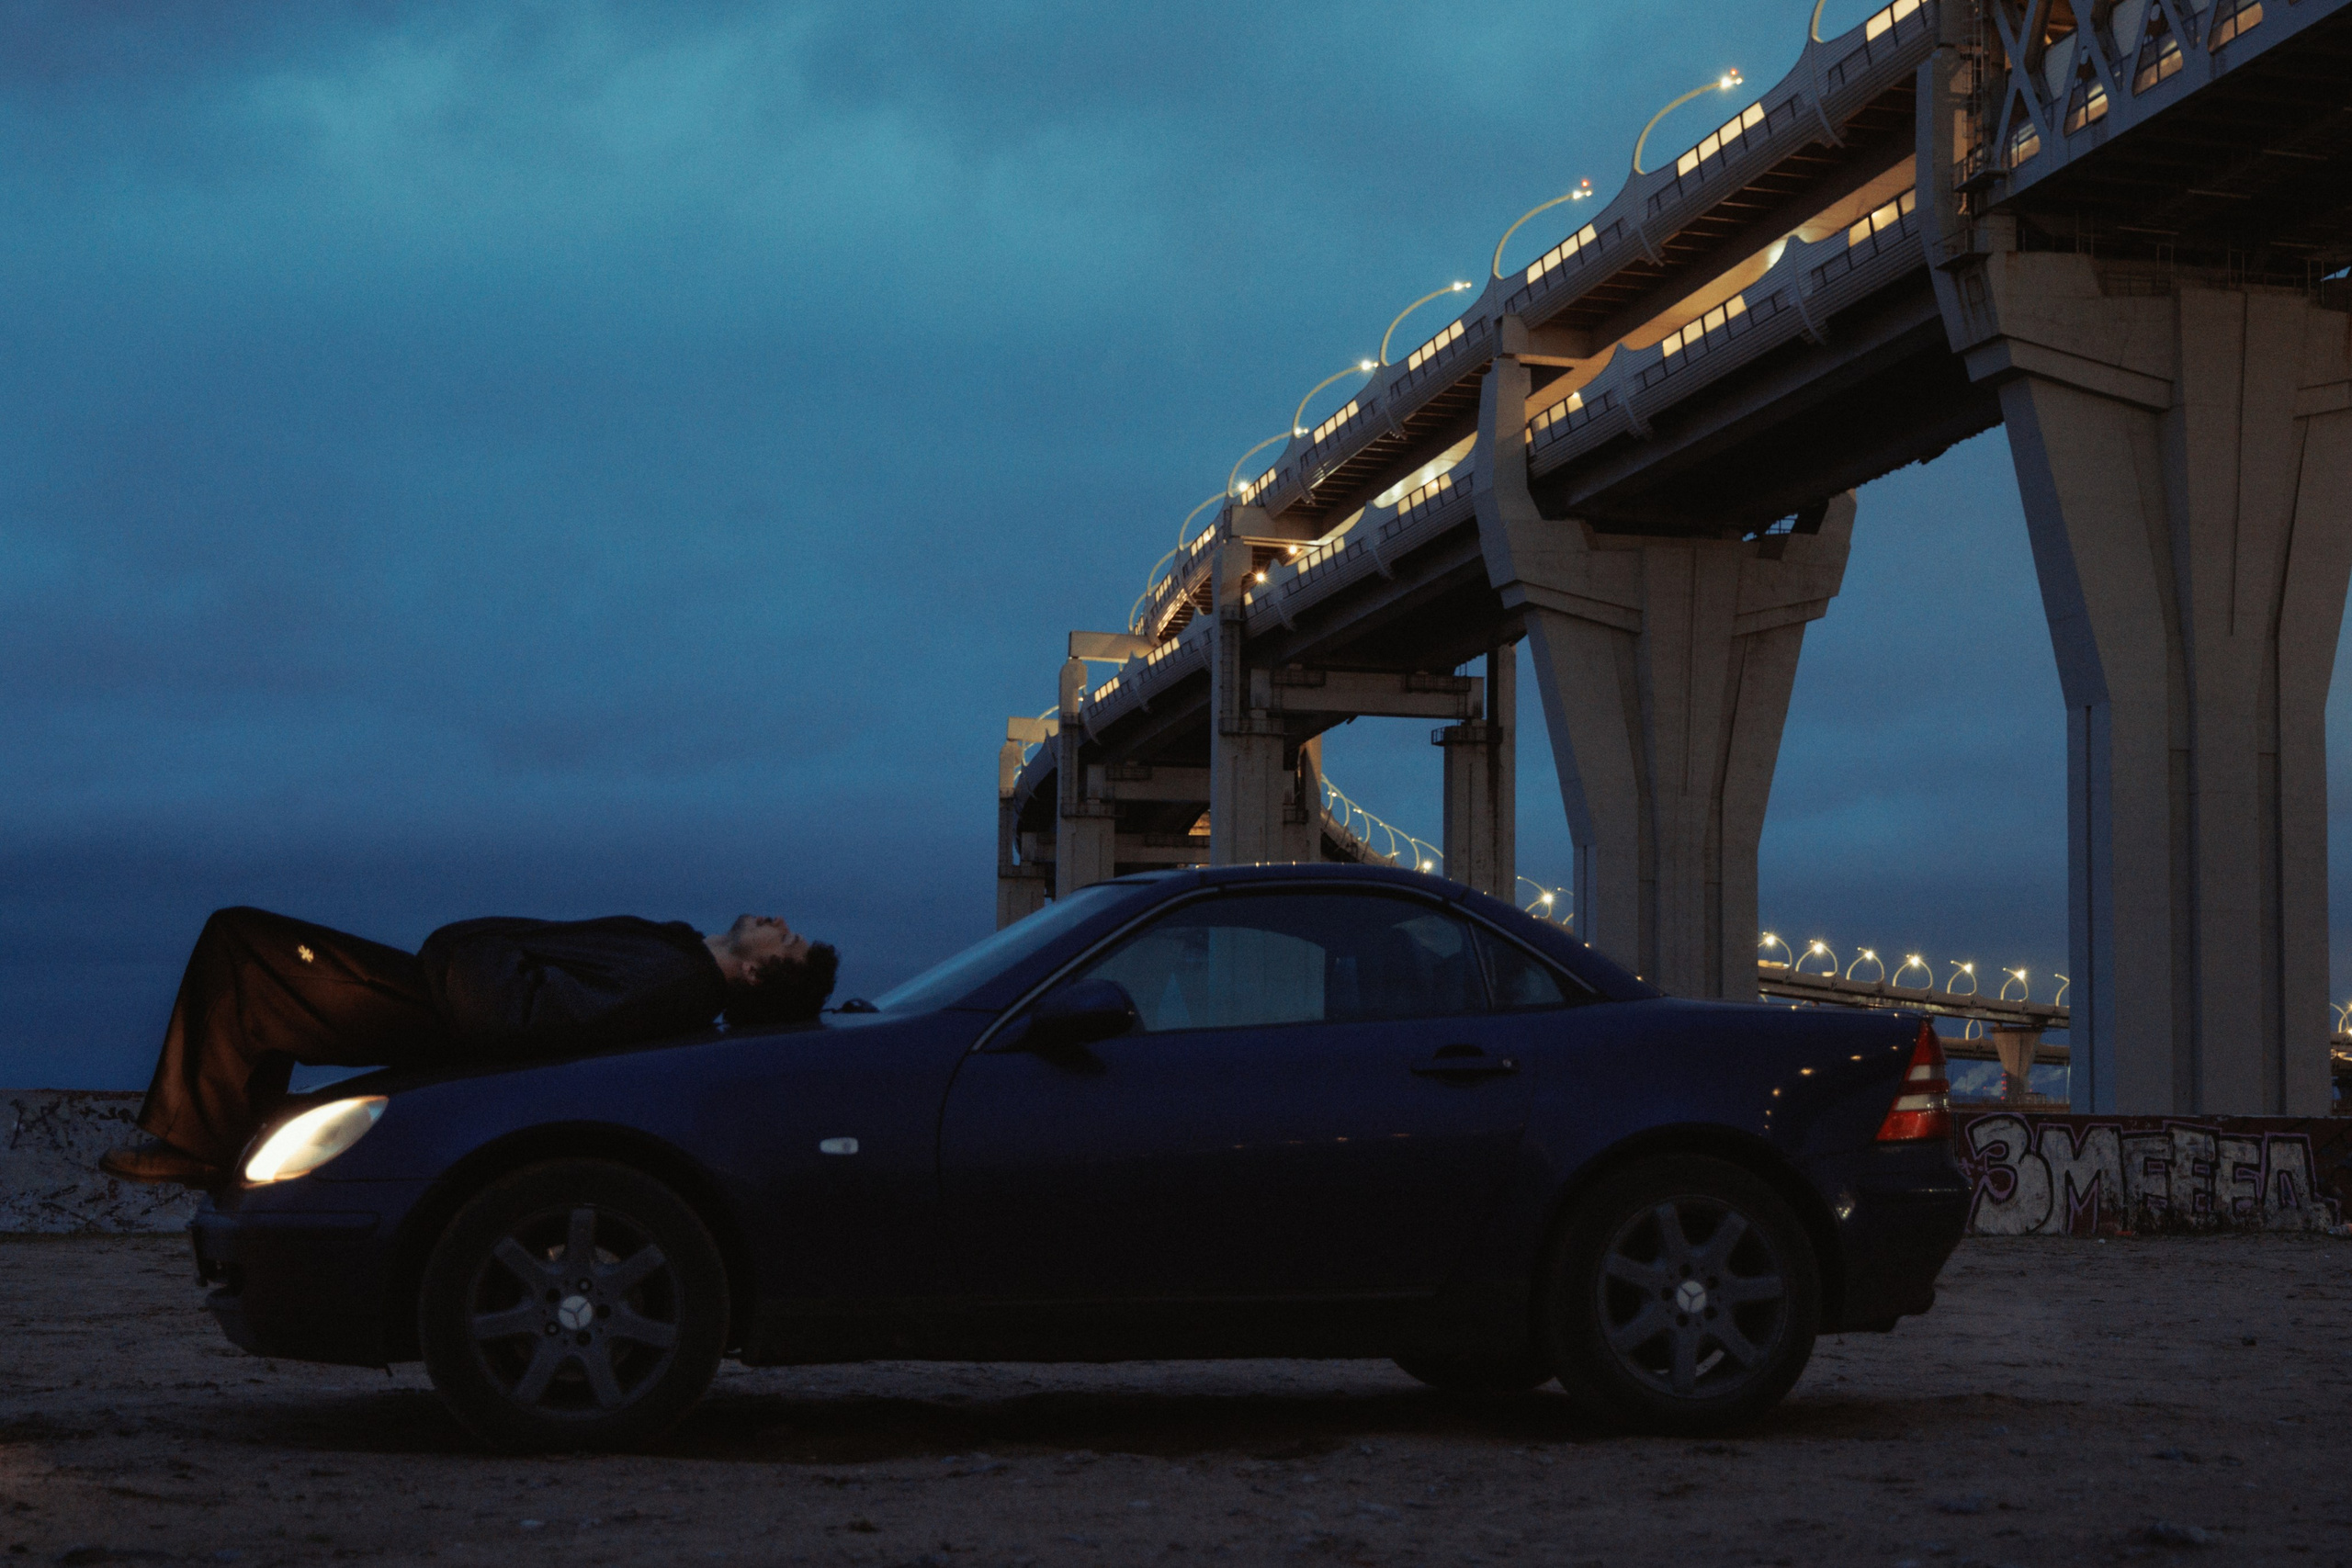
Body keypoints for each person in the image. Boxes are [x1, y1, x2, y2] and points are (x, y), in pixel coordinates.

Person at [99, 907, 839, 1189]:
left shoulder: (671, 977)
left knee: (244, 946)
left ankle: (204, 1144)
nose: (779, 920)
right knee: (254, 969)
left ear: (752, 971)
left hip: (434, 1003)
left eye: (788, 938)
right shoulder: (676, 959)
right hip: (439, 993)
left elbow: (530, 1010)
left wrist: (461, 943)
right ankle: (223, 1140)